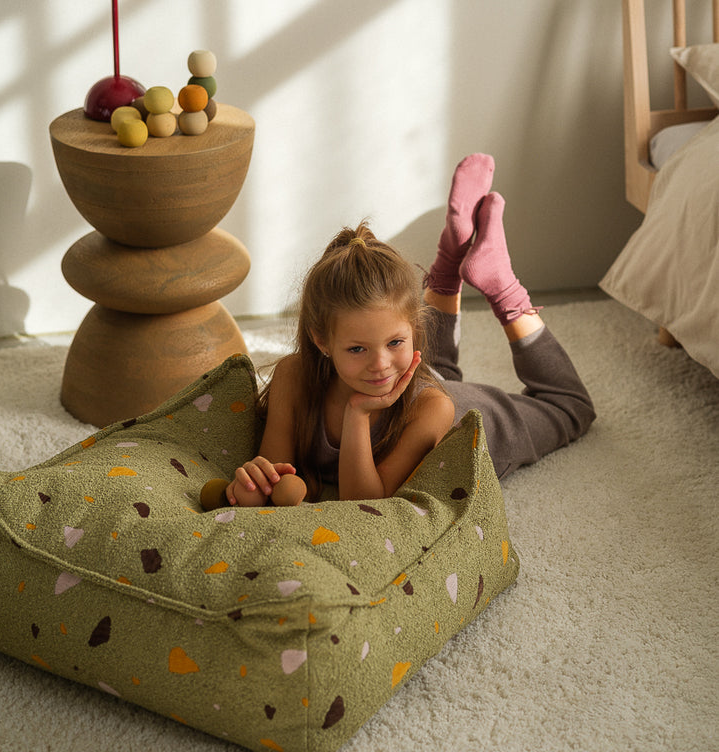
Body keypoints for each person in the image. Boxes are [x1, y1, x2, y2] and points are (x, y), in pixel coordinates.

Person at [225, 153, 595, 507]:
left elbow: (364, 506)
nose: (380, 365)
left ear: (415, 329)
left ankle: (501, 284)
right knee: (438, 374)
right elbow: (273, 479)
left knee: (572, 407)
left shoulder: (433, 408)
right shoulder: (295, 375)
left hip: (467, 415)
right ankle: (450, 260)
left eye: (395, 342)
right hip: (423, 383)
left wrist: (357, 414)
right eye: (357, 349)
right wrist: (255, 479)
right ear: (321, 340)